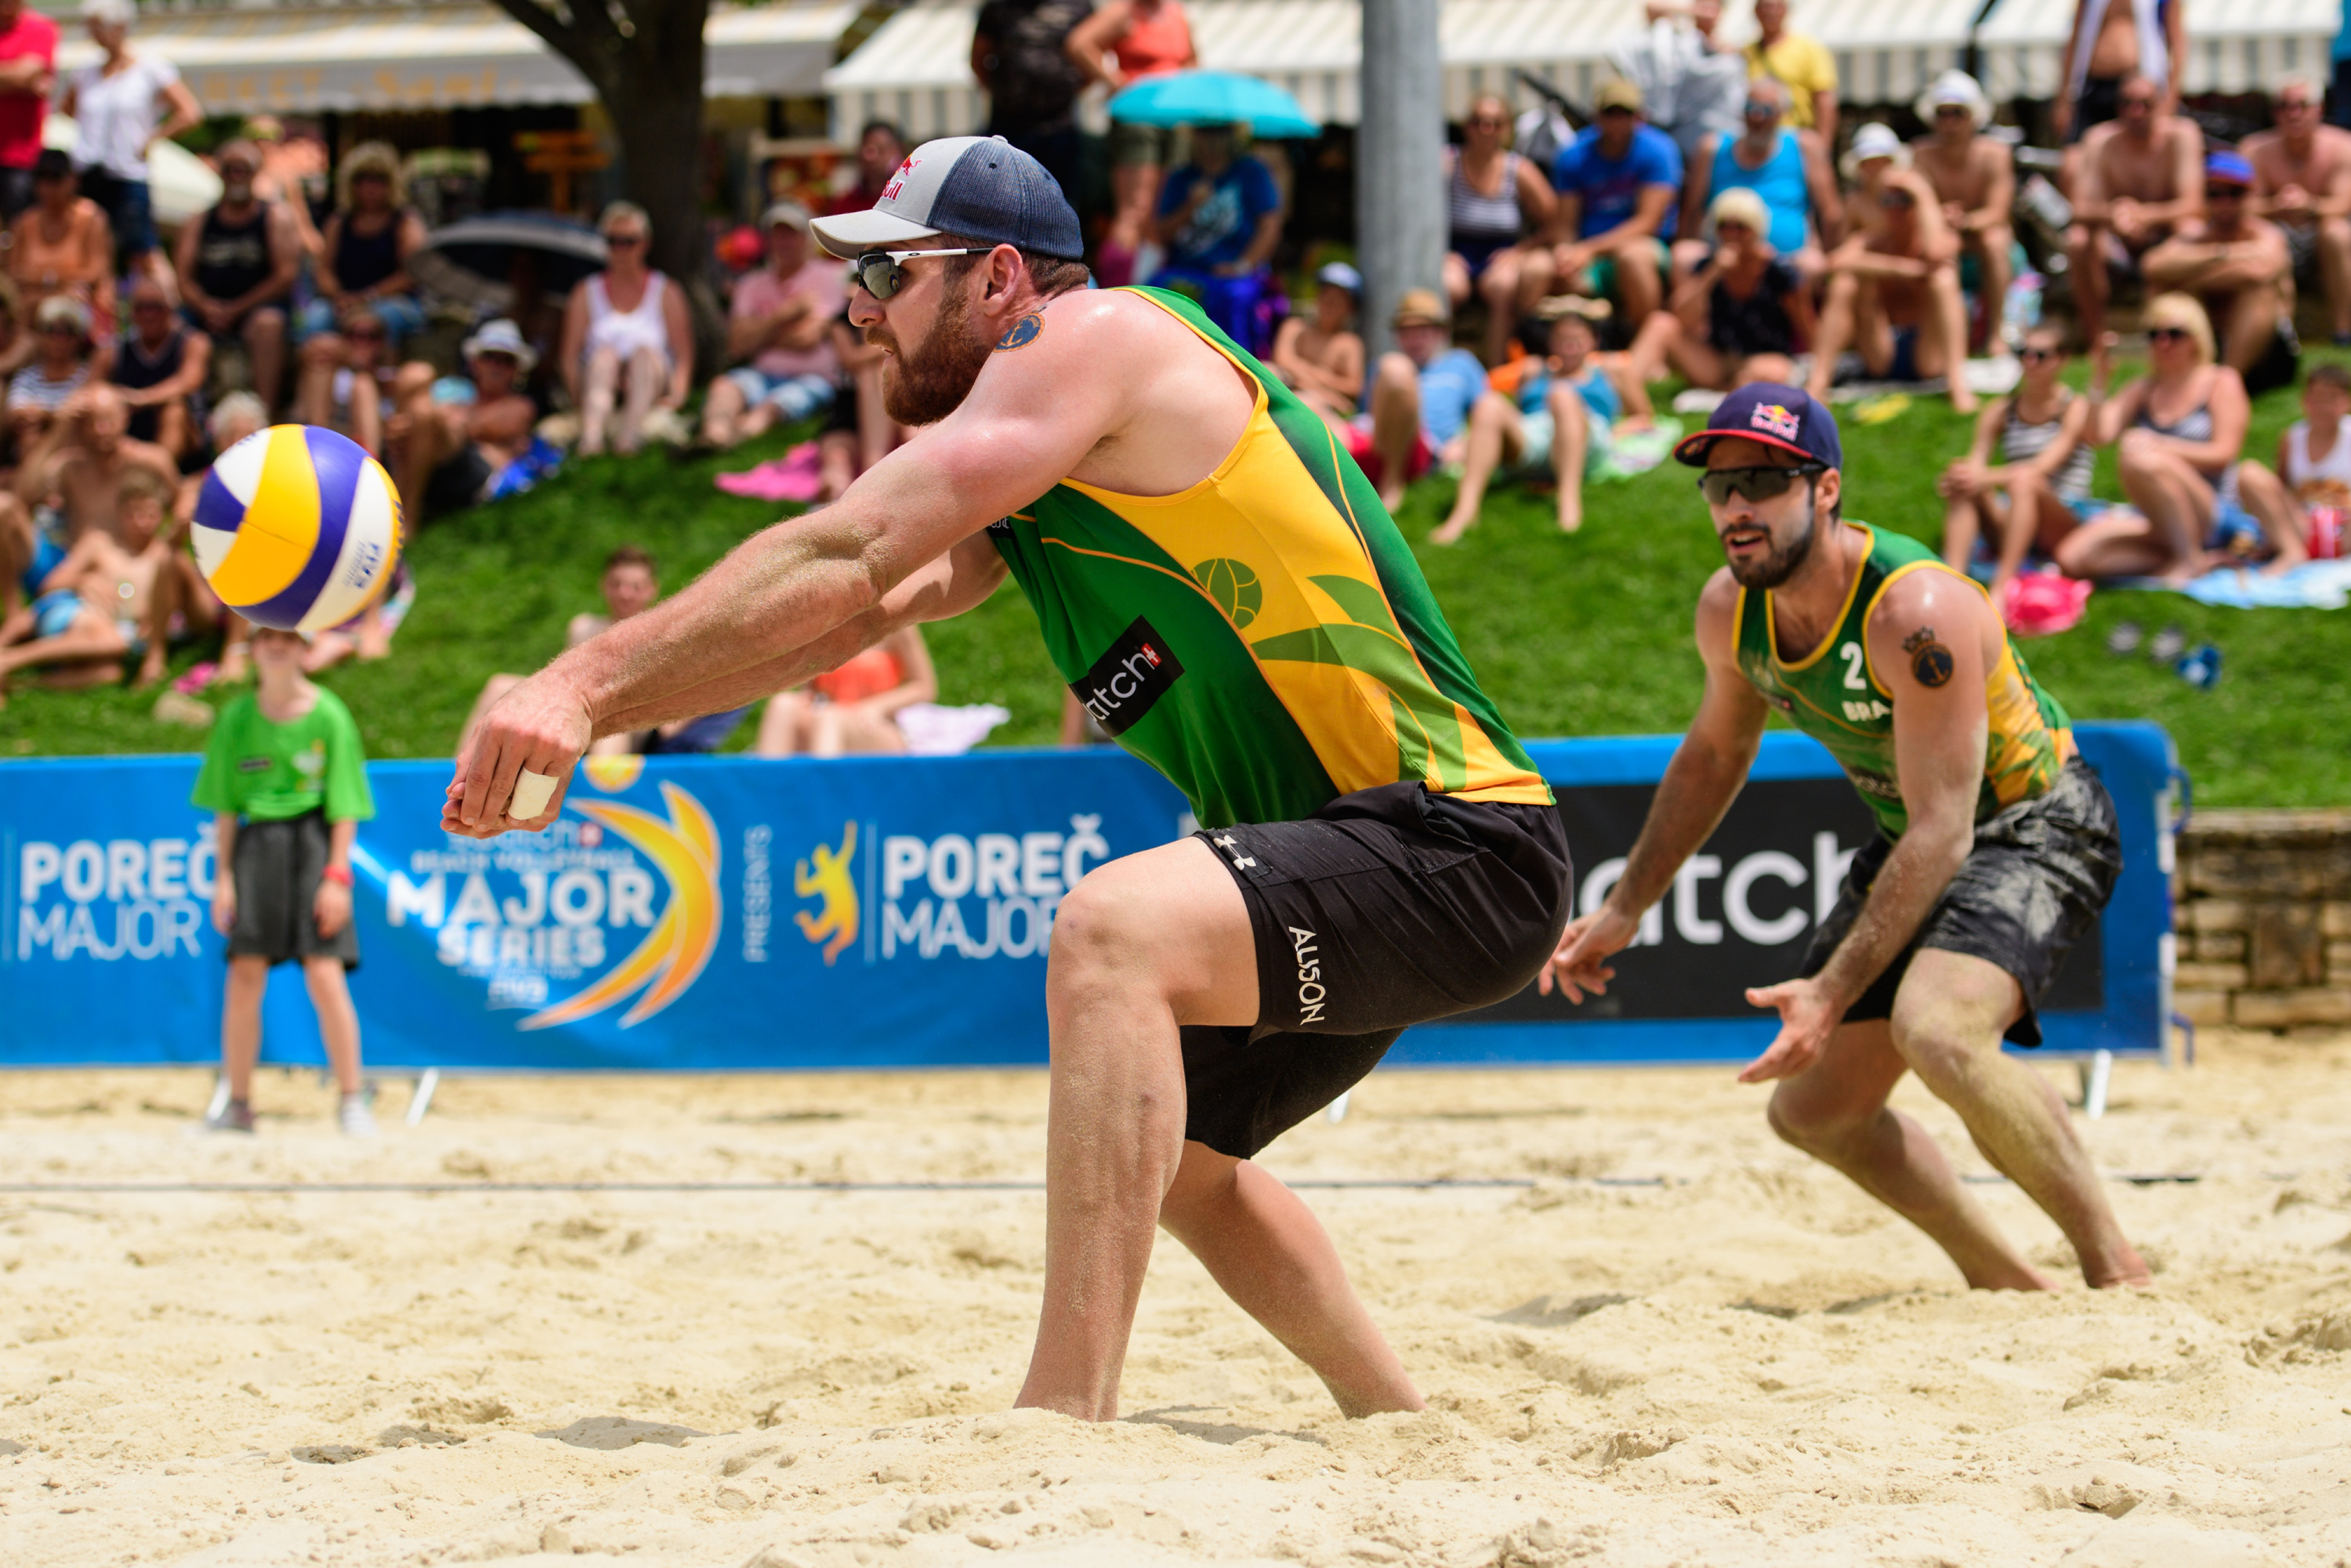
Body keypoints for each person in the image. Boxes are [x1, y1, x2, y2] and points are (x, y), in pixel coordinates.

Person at [451, 134, 1568, 1424]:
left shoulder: (1102, 337)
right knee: (1191, 1166)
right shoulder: (1039, 484)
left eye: (886, 271)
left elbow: (854, 538)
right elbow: (840, 612)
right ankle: (1402, 1425)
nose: (854, 309)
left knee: (1111, 934)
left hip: (1453, 839)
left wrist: (581, 684)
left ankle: (1060, 1416)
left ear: (996, 279)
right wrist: (588, 710)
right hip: (1365, 851)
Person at [1545, 382, 2150, 1295]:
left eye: (1762, 482)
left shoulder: (1916, 614)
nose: (1735, 507)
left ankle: (2120, 1274)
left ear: (1825, 489)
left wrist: (1829, 992)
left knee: (1941, 1032)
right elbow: (1712, 757)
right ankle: (2009, 1283)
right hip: (1921, 831)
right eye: (1718, 488)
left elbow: (1949, 829)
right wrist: (1626, 904)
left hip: (2037, 819)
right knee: (1817, 1113)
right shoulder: (1731, 611)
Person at [194, 622, 376, 1137]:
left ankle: (351, 1099)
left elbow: (346, 807)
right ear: (251, 648)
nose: (277, 645)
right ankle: (239, 1106)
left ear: (305, 648)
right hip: (257, 847)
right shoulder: (236, 718)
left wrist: (336, 877)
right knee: (244, 974)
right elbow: (226, 811)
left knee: (324, 971)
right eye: (266, 637)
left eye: (289, 637)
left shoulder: (328, 714)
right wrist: (223, 878)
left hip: (315, 844)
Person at [2058, 295, 2298, 581]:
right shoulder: (2144, 388)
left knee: (2138, 454)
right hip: (2160, 518)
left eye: (2174, 334)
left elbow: (2224, 454)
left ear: (2197, 338)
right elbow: (2096, 435)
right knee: (2072, 558)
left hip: (2214, 512)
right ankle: (2188, 556)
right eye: (2154, 335)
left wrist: (2160, 446)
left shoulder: (2220, 381)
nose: (2163, 343)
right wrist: (2099, 379)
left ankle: (2188, 559)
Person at [1430, 299, 1650, 543]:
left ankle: (1569, 503)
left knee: (1561, 395)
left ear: (1593, 341)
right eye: (1562, 340)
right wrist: (1464, 442)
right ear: (1551, 343)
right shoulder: (1533, 370)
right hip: (1537, 432)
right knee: (1488, 402)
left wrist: (1615, 433)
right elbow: (1510, 418)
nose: (1570, 347)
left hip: (1587, 434)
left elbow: (1644, 416)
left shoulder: (1611, 369)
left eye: (1577, 340)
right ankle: (1465, 510)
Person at [1806, 125, 1978, 414]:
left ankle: (1957, 382)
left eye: (1904, 201)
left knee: (1943, 279)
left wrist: (1921, 193)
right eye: (1889, 201)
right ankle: (1818, 381)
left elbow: (1938, 253)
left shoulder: (1934, 229)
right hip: (1881, 349)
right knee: (1846, 283)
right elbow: (1835, 262)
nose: (1896, 208)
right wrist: (1904, 270)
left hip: (1927, 352)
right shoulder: (1871, 234)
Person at [0, 463, 199, 698]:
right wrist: (83, 580)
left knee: (108, 673)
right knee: (110, 639)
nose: (141, 521)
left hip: (112, 637)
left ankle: (23, 685)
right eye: (133, 513)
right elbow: (49, 586)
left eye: (149, 514)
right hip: (74, 615)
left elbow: (187, 610)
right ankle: (9, 660)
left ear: (162, 515)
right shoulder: (100, 543)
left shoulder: (166, 558)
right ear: (120, 512)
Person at [1937, 326, 2098, 595]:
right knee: (1964, 480)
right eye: (2024, 353)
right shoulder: (1999, 410)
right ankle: (1952, 581)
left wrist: (1980, 476)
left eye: (2041, 355)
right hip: (2016, 515)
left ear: (2062, 360)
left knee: (2025, 479)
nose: (2030, 362)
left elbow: (2042, 468)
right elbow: (1976, 462)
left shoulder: (2074, 408)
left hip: (2060, 517)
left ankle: (2001, 587)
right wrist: (1961, 476)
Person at [60, 0, 201, 279]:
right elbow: (67, 110)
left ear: (121, 27)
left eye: (100, 26)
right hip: (89, 171)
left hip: (127, 171)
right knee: (90, 249)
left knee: (143, 251)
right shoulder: (86, 71)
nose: (95, 33)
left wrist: (152, 138)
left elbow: (190, 113)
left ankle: (166, 310)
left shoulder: (151, 69)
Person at [2065, 72, 2203, 355]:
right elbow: (2079, 208)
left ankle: (2178, 333)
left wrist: (2143, 216)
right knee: (2078, 240)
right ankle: (2097, 339)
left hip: (2164, 238)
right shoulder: (2099, 140)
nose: (2135, 112)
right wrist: (2114, 216)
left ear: (2162, 103)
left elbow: (2193, 204)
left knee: (2190, 230)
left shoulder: (2181, 135)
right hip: (2115, 241)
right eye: (2127, 103)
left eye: (2145, 104)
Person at [1630, 186, 1813, 393]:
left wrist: (1809, 367)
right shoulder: (1709, 266)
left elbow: (1805, 325)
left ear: (1756, 229)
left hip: (1765, 360)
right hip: (1719, 361)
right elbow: (1680, 316)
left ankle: (1735, 400)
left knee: (1764, 372)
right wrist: (1712, 275)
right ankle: (1621, 393)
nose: (1731, 234)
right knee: (1659, 324)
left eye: (1740, 227)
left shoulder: (1779, 272)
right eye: (1723, 226)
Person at [2143, 150, 2298, 395]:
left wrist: (2190, 275)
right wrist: (2223, 253)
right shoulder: (2196, 235)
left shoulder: (2267, 234)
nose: (2225, 203)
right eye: (2215, 194)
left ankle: (2224, 385)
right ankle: (2186, 376)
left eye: (2235, 194)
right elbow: (2152, 266)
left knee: (2259, 293)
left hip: (2266, 355)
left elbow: (2260, 271)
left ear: (2250, 195)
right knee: (2162, 288)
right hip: (2211, 340)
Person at [1065, 0, 1194, 287]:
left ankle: (1154, 290)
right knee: (1135, 212)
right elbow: (1079, 44)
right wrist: (1117, 84)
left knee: (1162, 215)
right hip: (1138, 120)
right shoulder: (1124, 11)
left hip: (1175, 120)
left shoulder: (1176, 12)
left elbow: (1192, 62)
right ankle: (1113, 290)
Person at [701, 201, 847, 451]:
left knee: (775, 405)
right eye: (778, 234)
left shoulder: (830, 277)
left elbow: (807, 338)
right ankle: (715, 435)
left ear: (807, 238)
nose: (784, 242)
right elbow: (736, 344)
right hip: (762, 374)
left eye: (792, 234)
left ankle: (733, 437)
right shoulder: (751, 283)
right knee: (725, 387)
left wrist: (758, 334)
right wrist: (784, 316)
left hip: (812, 377)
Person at [176, 139, 302, 413]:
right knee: (168, 323)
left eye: (243, 169)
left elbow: (285, 275)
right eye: (230, 169)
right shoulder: (199, 221)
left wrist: (237, 308)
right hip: (206, 311)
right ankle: (187, 417)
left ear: (255, 173)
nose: (236, 176)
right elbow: (183, 279)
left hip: (256, 309)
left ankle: (264, 414)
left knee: (268, 324)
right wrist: (207, 307)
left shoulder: (274, 217)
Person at [1676, 75, 1838, 287]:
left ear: (1782, 114)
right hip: (1721, 257)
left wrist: (1828, 257)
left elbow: (1831, 213)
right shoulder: (1713, 148)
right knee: (1682, 256)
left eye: (1766, 110)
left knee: (1813, 265)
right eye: (1751, 108)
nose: (1757, 116)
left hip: (1787, 260)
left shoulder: (1804, 146)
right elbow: (1691, 211)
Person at [560, 201, 692, 457]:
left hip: (650, 379)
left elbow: (683, 353)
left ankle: (629, 439)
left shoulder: (666, 291)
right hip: (600, 379)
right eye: (613, 241)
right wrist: (576, 393)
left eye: (628, 241)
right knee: (604, 356)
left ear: (645, 243)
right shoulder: (585, 292)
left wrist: (678, 393)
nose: (621, 250)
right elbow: (569, 356)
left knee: (643, 354)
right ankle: (592, 439)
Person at [1547, 77, 1680, 330]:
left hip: (1640, 247)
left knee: (1634, 259)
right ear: (1597, 116)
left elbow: (1647, 223)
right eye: (1611, 113)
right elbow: (1564, 222)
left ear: (1640, 117)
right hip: (1590, 252)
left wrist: (1588, 250)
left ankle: (1648, 349)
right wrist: (1565, 252)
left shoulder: (1659, 150)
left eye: (1626, 113)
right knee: (1547, 273)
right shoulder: (1573, 154)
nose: (1618, 121)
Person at [387, 318, 549, 523]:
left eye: (507, 360)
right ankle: (396, 516)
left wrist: (438, 419)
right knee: (417, 375)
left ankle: (401, 520)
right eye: (489, 357)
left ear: (517, 371)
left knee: (422, 410)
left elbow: (478, 427)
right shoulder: (458, 391)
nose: (497, 366)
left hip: (477, 474)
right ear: (475, 363)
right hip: (439, 459)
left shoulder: (520, 406)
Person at [1443, 93, 1559, 367]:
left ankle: (1496, 368)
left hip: (1501, 251)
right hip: (1456, 250)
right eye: (1479, 122)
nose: (1486, 130)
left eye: (1495, 123)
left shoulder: (1519, 170)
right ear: (1466, 126)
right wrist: (1441, 251)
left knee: (1503, 287)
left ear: (1506, 129)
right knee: (1448, 286)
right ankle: (1440, 364)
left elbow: (1555, 222)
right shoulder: (1448, 162)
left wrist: (1520, 251)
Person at [1150, 122, 1282, 352]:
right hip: (1187, 271)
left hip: (1236, 273)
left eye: (1219, 132)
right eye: (1204, 131)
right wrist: (1190, 206)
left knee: (1235, 297)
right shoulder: (1180, 177)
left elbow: (1270, 226)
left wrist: (1241, 266)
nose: (1211, 140)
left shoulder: (1252, 172)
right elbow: (1161, 234)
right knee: (1156, 290)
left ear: (1232, 137)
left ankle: (1240, 370)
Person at [1910, 70, 2016, 354]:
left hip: (1979, 235)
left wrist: (1964, 221)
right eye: (1942, 113)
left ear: (1973, 116)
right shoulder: (1921, 155)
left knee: (1995, 241)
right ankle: (1948, 340)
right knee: (1941, 247)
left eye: (1957, 113)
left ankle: (1997, 333)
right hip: (1943, 235)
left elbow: (1998, 213)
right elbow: (1915, 208)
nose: (1949, 121)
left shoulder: (1995, 154)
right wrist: (1941, 219)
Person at [1355, 287, 1487, 510]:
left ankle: (1391, 484)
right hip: (1377, 437)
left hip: (1424, 447)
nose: (1414, 340)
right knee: (1309, 404)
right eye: (1406, 332)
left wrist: (1464, 443)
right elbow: (1368, 415)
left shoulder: (1461, 363)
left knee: (1395, 369)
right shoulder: (1380, 367)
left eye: (1422, 331)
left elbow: (1487, 414)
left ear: (1441, 333)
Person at [2245, 76, 2351, 348]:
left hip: (2322, 235)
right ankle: (2282, 333)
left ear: (2319, 109)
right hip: (2277, 230)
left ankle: (2343, 330)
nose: (2293, 114)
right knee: (2269, 236)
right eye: (2284, 106)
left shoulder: (2342, 146)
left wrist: (2310, 206)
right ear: (2274, 112)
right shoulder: (2254, 149)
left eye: (2301, 105)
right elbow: (2242, 207)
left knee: (2336, 233)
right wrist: (2276, 207)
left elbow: (2343, 204)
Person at [295, 141, 429, 353]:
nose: (369, 187)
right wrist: (339, 297)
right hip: (343, 300)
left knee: (372, 323)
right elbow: (323, 270)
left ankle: (380, 376)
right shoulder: (338, 222)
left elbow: (411, 274)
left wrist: (367, 297)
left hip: (394, 301)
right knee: (315, 320)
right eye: (361, 179)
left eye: (378, 179)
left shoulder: (405, 221)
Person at [16, 381, 177, 545]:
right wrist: (61, 427)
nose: (101, 430)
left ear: (125, 417)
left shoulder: (151, 461)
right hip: (81, 563)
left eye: (108, 420)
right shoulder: (70, 468)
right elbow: (23, 495)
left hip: (134, 564)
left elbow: (181, 506)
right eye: (92, 422)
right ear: (79, 425)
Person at [970, 0, 1095, 206]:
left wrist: (1065, 91)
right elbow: (978, 59)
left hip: (1059, 128)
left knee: (1059, 202)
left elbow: (1094, 56)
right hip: (1007, 129)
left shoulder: (1078, 6)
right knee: (1003, 200)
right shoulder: (997, 8)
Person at [755, 624, 937, 756]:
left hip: (875, 726)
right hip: (827, 718)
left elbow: (924, 687)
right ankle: (766, 794)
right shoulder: (826, 622)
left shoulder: (898, 623)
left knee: (831, 718)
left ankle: (825, 800)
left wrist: (876, 707)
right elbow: (811, 688)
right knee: (783, 704)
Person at [9, 148, 114, 340]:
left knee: (57, 312)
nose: (48, 187)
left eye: (55, 178)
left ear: (72, 180)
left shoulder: (92, 219)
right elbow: (15, 275)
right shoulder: (23, 224)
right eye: (42, 178)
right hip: (32, 309)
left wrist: (40, 280)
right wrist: (58, 282)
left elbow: (95, 273)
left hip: (79, 309)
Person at [2056, 0, 2185, 149]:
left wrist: (2171, 98)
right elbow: (2075, 37)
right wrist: (2064, 100)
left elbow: (2177, 44)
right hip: (2093, 86)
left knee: (2138, 155)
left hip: (2140, 92)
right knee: (2076, 158)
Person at [107, 273, 208, 459]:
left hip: (186, 437)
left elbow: (188, 382)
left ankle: (160, 475)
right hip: (128, 430)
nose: (149, 315)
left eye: (155, 307)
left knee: (173, 409)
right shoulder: (113, 350)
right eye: (141, 308)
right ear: (132, 313)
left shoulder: (193, 342)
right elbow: (91, 390)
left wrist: (140, 399)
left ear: (169, 310)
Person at [1269, 260, 1364, 425]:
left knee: (1309, 404)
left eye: (1337, 301)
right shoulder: (1294, 326)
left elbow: (1354, 387)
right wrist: (1324, 389)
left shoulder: (1349, 342)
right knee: (1268, 370)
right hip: (1298, 394)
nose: (1329, 304)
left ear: (1350, 308)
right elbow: (1282, 361)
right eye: (1325, 296)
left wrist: (1300, 372)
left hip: (1322, 410)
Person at [292, 302, 392, 456]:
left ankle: (371, 464)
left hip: (386, 449)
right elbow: (316, 347)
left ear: (382, 342)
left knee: (364, 384)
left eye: (372, 336)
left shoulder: (390, 377)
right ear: (343, 340)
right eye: (355, 335)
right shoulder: (329, 373)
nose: (363, 342)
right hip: (330, 444)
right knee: (361, 383)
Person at [1743, 0, 1836, 147]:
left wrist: (1823, 146)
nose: (1771, 12)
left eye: (1777, 6)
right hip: (1757, 140)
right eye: (1765, 6)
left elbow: (1824, 100)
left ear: (1786, 11)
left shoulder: (1809, 49)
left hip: (1798, 138)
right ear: (1755, 12)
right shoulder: (1746, 53)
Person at [5, 294, 96, 443]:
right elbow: (16, 414)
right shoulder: (27, 377)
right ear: (40, 335)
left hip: (74, 445)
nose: (59, 339)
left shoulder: (87, 375)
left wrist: (43, 415)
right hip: (34, 443)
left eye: (68, 331)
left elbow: (84, 416)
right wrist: (57, 415)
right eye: (51, 330)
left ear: (79, 337)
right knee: (29, 435)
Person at [2275, 363, 2351, 536]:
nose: (2323, 407)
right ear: (2305, 400)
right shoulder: (2291, 437)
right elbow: (2281, 488)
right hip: (2304, 525)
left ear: (2346, 401)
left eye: (2331, 399)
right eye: (2317, 398)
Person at [0, 0, 56, 223]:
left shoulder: (40, 28)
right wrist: (17, 81)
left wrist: (23, 79)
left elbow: (27, 74)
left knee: (22, 230)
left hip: (20, 156)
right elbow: (23, 77)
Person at [825, 119, 909, 217]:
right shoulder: (844, 205)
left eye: (881, 149)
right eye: (867, 149)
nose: (870, 157)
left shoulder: (910, 200)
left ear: (898, 151)